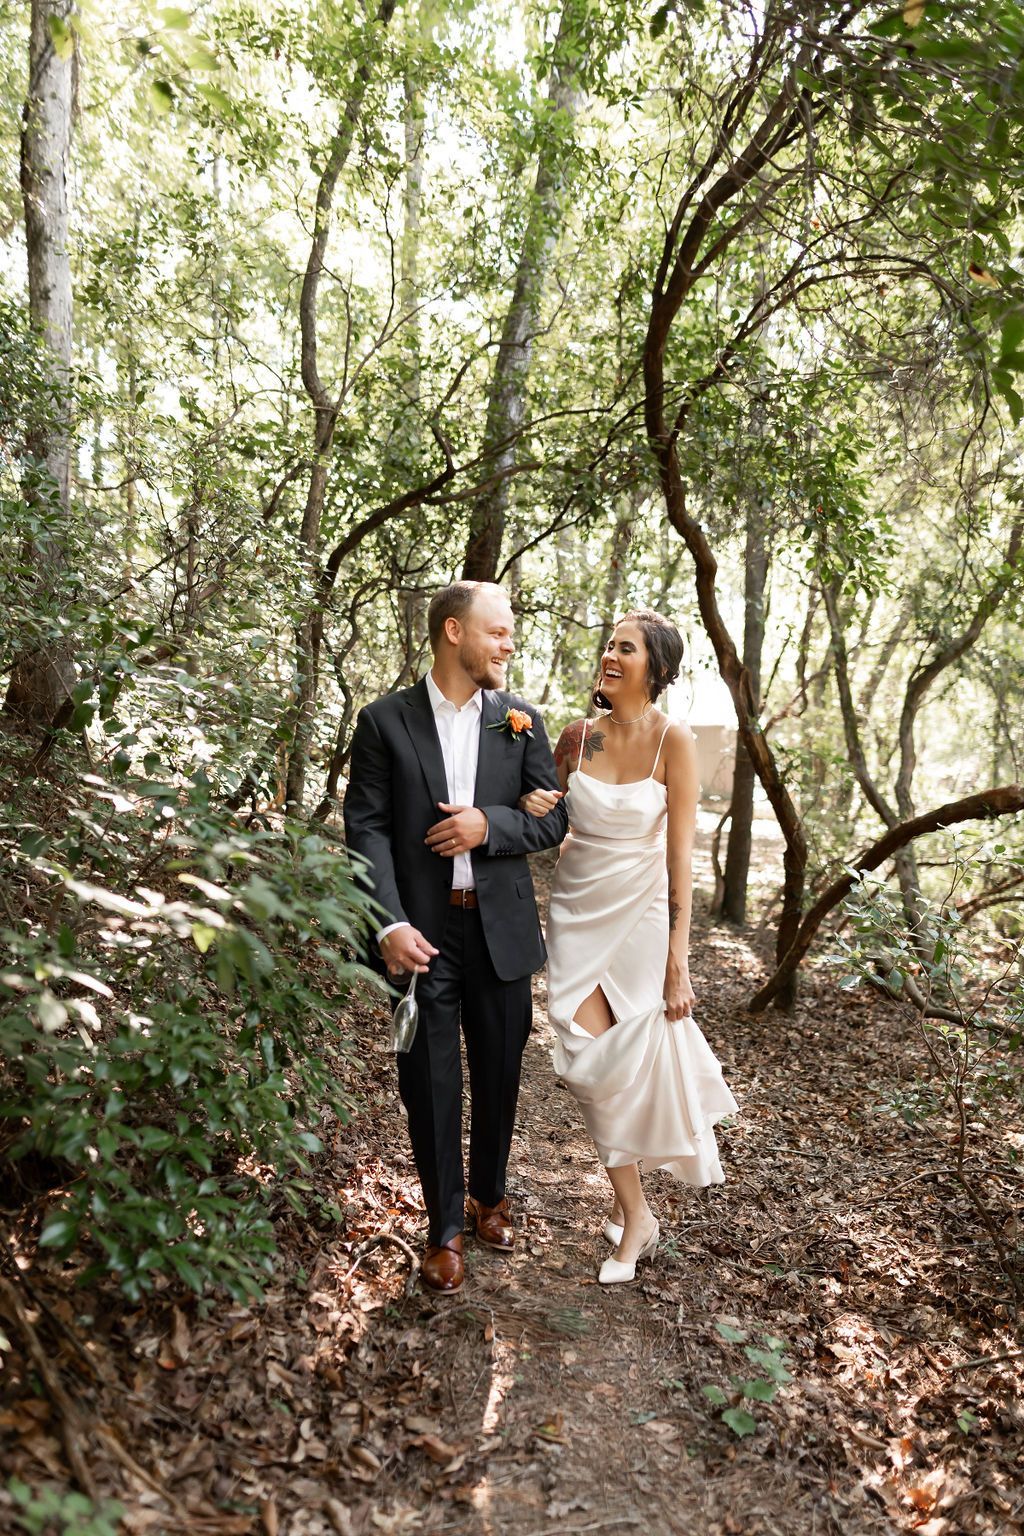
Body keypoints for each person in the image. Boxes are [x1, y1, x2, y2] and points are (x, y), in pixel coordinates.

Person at [343, 581, 568, 1295]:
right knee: (430, 1082)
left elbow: (552, 822)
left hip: (501, 930)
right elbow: (367, 829)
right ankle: (443, 1230)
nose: (509, 644)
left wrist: (488, 824)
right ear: (453, 633)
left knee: (500, 1071)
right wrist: (388, 922)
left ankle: (489, 1198)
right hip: (421, 934)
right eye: (498, 632)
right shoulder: (384, 721)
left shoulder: (520, 721)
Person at [520, 609, 737, 1284]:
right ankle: (633, 1208)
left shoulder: (675, 741)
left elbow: (681, 860)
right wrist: (533, 807)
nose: (611, 656)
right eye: (610, 645)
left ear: (658, 667)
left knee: (625, 1058)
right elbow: (554, 820)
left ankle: (634, 1213)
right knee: (587, 1061)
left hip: (641, 914)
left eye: (628, 649)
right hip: (578, 909)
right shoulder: (576, 737)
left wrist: (680, 962)